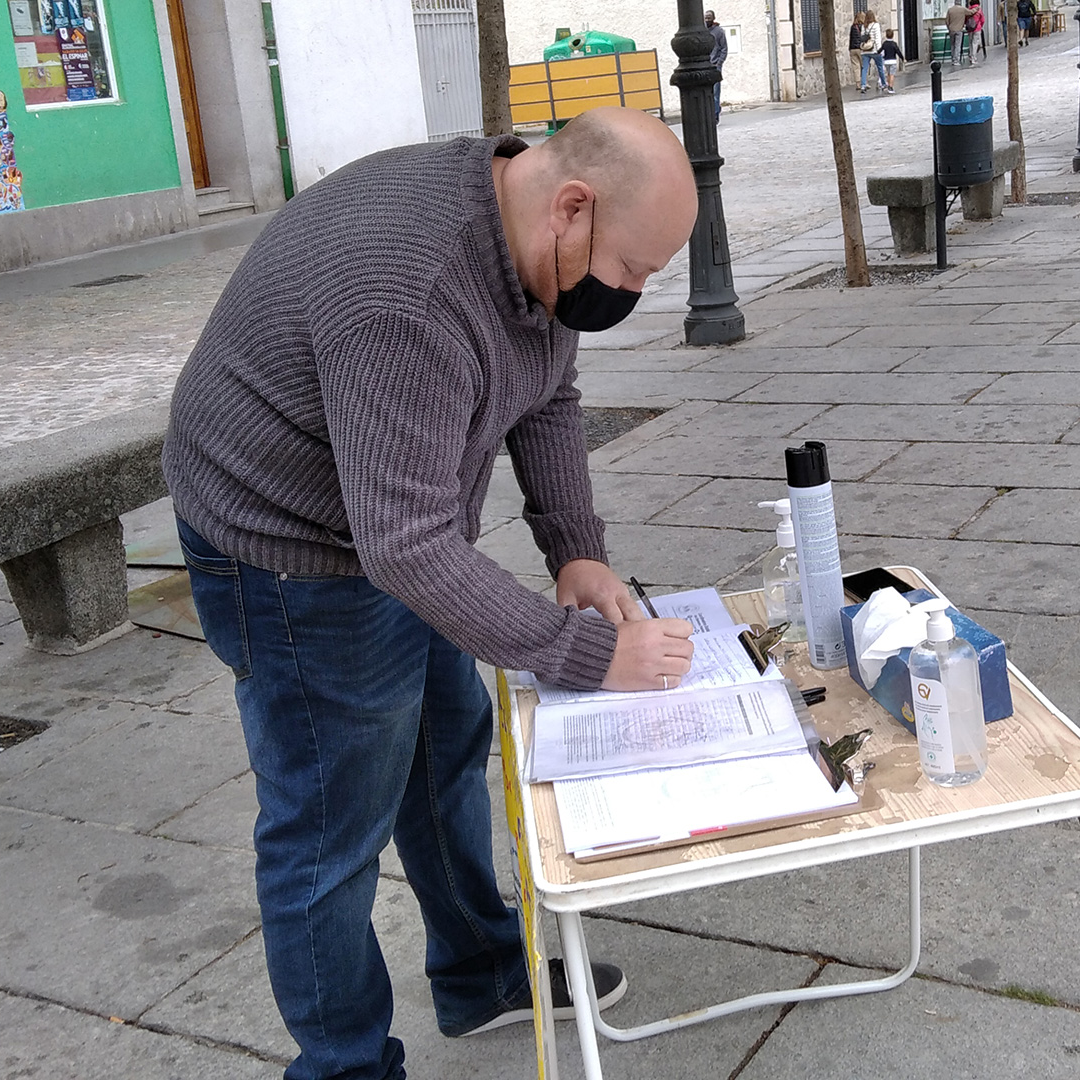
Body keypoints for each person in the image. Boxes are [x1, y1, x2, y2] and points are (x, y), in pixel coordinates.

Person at [161, 107, 702, 1080]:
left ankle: (479, 974)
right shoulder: (408, 297)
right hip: (287, 549)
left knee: (445, 753)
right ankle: (346, 1068)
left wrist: (576, 551)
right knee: (329, 833)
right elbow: (405, 548)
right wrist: (590, 654)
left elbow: (549, 390)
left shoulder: (527, 230)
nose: (632, 291)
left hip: (392, 521)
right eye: (632, 269)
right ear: (572, 207)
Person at [706, 10, 729, 118]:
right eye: (706, 17)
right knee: (708, 92)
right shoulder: (703, 31)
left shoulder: (719, 31)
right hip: (706, 66)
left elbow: (724, 48)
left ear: (713, 18)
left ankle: (715, 116)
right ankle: (714, 110)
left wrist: (719, 63)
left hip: (715, 66)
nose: (707, 19)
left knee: (715, 92)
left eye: (709, 17)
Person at [861, 11, 886, 94]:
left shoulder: (863, 26)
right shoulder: (876, 25)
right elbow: (877, 38)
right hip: (874, 50)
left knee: (864, 68)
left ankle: (863, 85)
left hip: (865, 51)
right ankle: (883, 83)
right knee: (880, 67)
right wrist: (879, 50)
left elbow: (862, 38)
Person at [879, 28, 902, 93]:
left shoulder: (884, 44)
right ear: (893, 35)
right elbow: (898, 52)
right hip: (893, 61)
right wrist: (902, 58)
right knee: (892, 74)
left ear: (886, 35)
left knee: (888, 74)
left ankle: (888, 84)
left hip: (886, 61)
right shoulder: (894, 44)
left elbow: (880, 50)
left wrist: (877, 53)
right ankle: (891, 87)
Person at [946, 2, 969, 66]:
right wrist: (976, 8)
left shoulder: (950, 10)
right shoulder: (963, 9)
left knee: (952, 45)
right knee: (957, 45)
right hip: (959, 29)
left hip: (951, 30)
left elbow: (947, 21)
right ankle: (956, 60)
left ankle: (953, 59)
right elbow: (971, 12)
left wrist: (949, 28)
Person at [850, 11, 868, 91]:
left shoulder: (853, 26)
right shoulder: (863, 27)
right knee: (863, 66)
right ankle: (864, 83)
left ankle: (858, 84)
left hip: (852, 49)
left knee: (856, 67)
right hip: (860, 48)